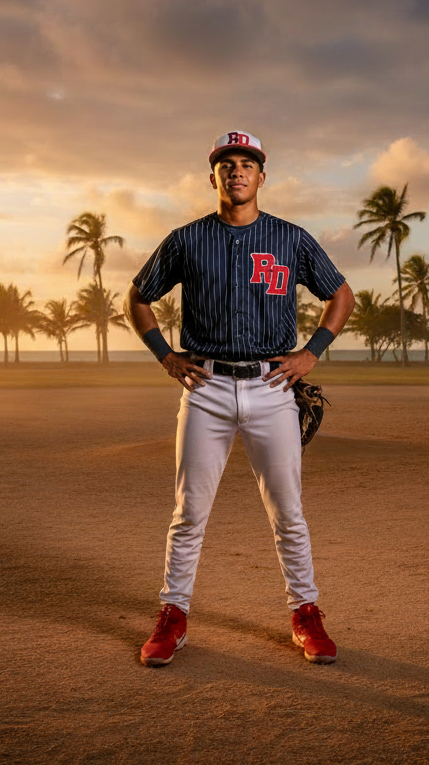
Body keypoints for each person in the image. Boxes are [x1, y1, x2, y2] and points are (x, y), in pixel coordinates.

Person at [126, 130, 354, 667]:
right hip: (204, 388)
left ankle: (305, 612)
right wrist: (165, 356)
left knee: (288, 513)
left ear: (260, 177)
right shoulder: (185, 239)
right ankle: (173, 614)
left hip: (272, 389)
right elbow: (138, 296)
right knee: (189, 512)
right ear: (213, 176)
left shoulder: (291, 239)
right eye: (226, 164)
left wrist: (310, 355)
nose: (236, 171)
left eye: (246, 163)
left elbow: (341, 295)